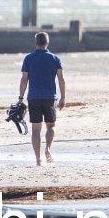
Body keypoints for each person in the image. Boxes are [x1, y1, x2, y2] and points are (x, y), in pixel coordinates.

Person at [18, 32, 66, 166]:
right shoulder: (55, 58)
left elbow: (24, 80)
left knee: (36, 129)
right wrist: (63, 97)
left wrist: (21, 98)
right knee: (51, 126)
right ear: (47, 43)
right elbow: (61, 79)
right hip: (50, 98)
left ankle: (38, 159)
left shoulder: (28, 58)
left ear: (36, 43)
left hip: (33, 97)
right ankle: (48, 149)